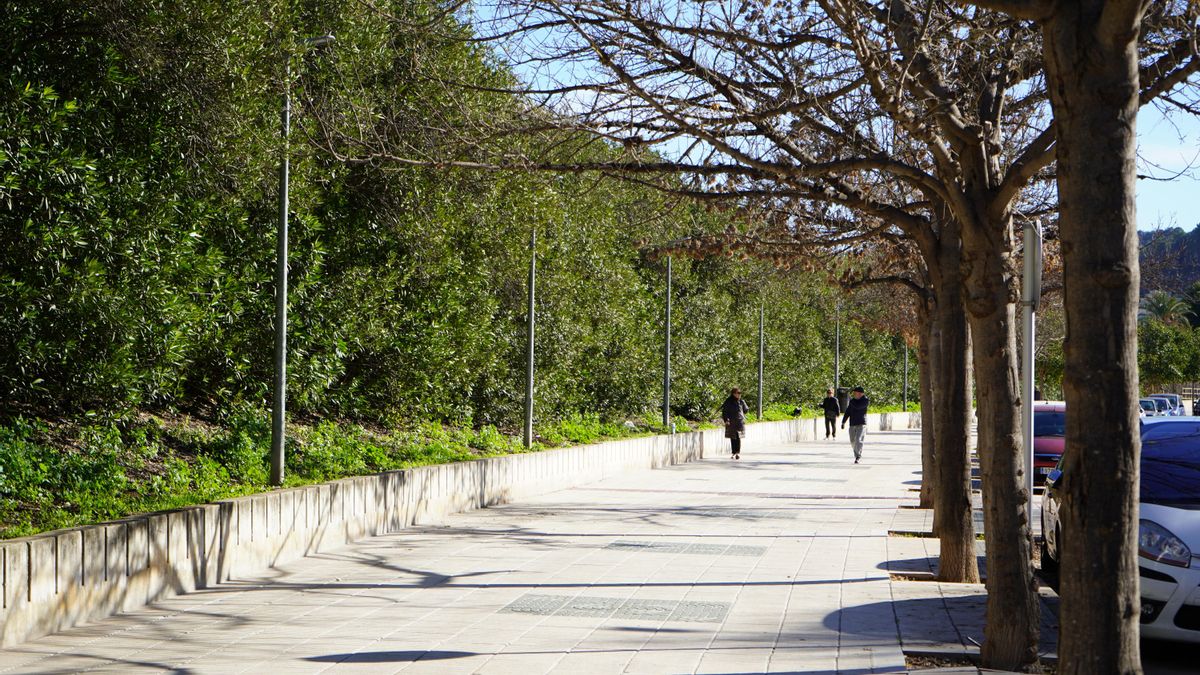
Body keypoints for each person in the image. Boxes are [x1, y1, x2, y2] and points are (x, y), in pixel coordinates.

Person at [841, 386, 869, 463]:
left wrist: (851, 401)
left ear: (860, 393)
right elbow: (848, 412)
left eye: (855, 393)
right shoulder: (852, 401)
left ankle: (858, 456)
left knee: (858, 440)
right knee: (852, 441)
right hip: (852, 424)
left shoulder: (865, 400)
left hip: (861, 423)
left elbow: (858, 407)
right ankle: (857, 454)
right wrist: (843, 422)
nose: (854, 394)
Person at [721, 387, 750, 460]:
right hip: (731, 422)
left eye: (740, 393)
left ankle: (737, 452)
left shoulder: (741, 401)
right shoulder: (728, 401)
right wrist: (726, 420)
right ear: (733, 394)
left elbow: (746, 410)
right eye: (738, 393)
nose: (739, 394)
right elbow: (724, 411)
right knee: (733, 437)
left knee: (738, 437)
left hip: (739, 422)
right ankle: (734, 452)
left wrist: (744, 406)